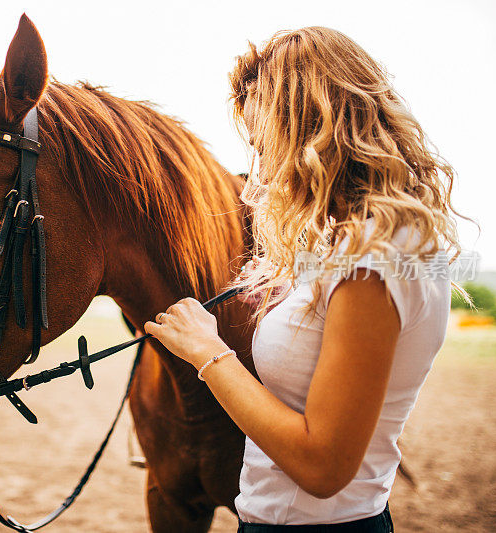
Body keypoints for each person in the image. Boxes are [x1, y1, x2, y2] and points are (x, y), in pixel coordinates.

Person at [144, 27, 466, 532]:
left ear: (307, 127)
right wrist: (295, 277)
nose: (261, 168)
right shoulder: (377, 244)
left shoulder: (372, 259)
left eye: (262, 142)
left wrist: (207, 351)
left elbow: (322, 467)